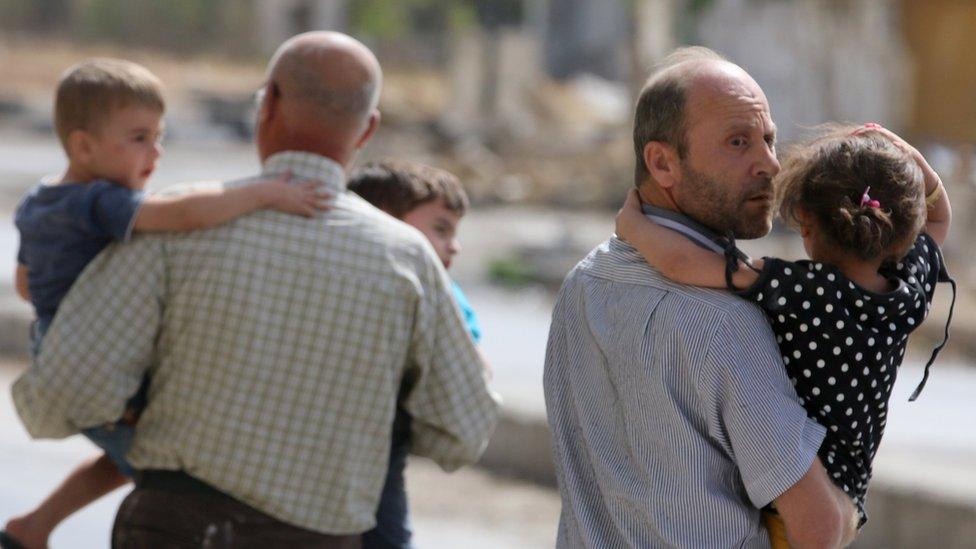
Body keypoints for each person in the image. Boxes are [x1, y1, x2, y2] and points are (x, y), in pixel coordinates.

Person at [12, 31, 498, 548]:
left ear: (267, 107)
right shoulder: (410, 259)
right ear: (368, 129)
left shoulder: (175, 226)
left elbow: (66, 392)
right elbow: (463, 431)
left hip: (177, 526)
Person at [2, 57, 327, 549]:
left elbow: (25, 284)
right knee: (169, 475)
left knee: (128, 455)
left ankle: (34, 527)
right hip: (93, 359)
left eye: (160, 136)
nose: (155, 151)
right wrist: (262, 193)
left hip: (61, 346)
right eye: (138, 138)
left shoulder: (40, 199)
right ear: (83, 146)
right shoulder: (97, 202)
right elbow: (184, 214)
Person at [543, 46, 858, 547]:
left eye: (768, 140)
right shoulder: (724, 321)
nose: (770, 165)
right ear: (663, 163)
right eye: (738, 142)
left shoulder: (585, 282)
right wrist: (850, 504)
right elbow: (821, 526)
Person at [615, 123, 954, 545]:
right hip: (847, 490)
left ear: (807, 226)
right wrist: (906, 155)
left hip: (793, 497)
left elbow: (686, 263)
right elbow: (940, 214)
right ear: (904, 227)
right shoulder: (908, 293)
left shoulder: (806, 290)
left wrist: (632, 227)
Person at [348, 159, 482, 548]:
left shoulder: (445, 296)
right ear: (383, 222)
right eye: (440, 229)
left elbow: (471, 359)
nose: (453, 246)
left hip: (386, 443)